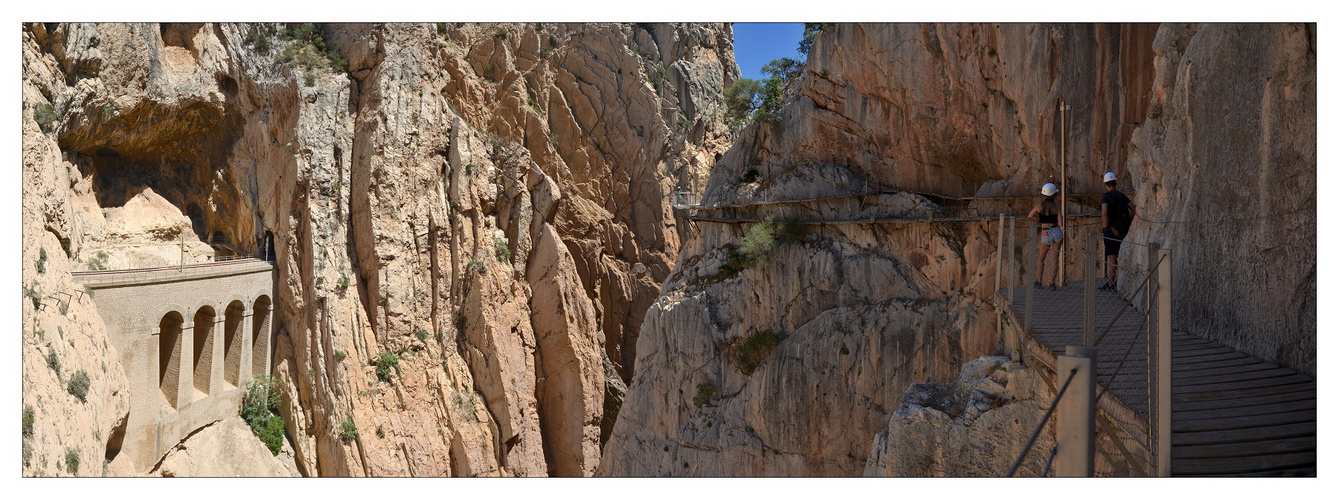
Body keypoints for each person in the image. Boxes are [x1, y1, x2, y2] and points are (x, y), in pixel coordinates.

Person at [1100, 172, 1135, 290]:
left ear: (1106, 184)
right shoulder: (1121, 195)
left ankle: (1111, 283)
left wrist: (1105, 226)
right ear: (1115, 183)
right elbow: (1134, 209)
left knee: (1112, 257)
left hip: (1110, 230)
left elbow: (1104, 211)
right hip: (1122, 230)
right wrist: (1129, 222)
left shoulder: (1105, 196)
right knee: (1120, 255)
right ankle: (1118, 281)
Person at [1028, 182, 1063, 290]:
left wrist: (1039, 220)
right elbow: (1061, 224)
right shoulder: (1056, 207)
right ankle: (1052, 283)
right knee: (1054, 259)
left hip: (1046, 232)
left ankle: (1039, 281)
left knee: (1041, 258)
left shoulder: (1039, 205)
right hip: (1056, 232)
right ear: (1054, 195)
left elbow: (1029, 216)